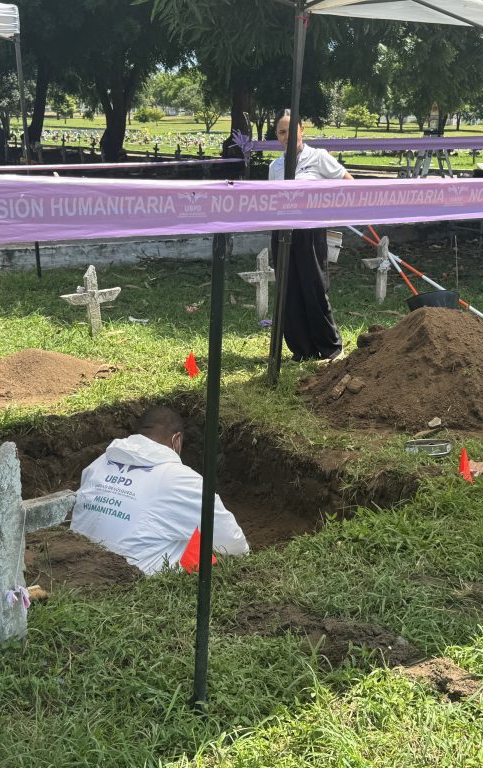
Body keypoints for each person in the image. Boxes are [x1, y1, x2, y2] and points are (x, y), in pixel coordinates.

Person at [70, 406, 249, 575]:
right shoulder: (180, 479)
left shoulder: (99, 463)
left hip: (79, 565)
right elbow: (233, 545)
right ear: (176, 440)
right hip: (130, 577)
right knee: (198, 548)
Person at [269, 112, 353, 362]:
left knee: (314, 286)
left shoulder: (319, 158)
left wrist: (327, 207)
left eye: (290, 131)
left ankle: (329, 348)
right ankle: (302, 350)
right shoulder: (275, 167)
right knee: (289, 290)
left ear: (301, 130)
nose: (286, 137)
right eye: (281, 133)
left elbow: (348, 183)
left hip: (309, 231)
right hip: (281, 230)